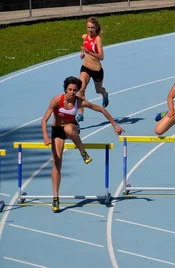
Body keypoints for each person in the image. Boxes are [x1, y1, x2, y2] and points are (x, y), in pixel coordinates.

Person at [42, 76, 124, 212]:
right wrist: (46, 137)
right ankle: (55, 198)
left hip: (72, 127)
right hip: (56, 130)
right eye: (70, 90)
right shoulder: (57, 100)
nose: (72, 93)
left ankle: (83, 152)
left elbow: (101, 109)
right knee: (57, 162)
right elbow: (44, 120)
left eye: (75, 90)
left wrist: (115, 125)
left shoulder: (79, 102)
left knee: (68, 128)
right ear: (65, 89)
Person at [77, 16, 110, 122]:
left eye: (92, 28)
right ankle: (80, 114)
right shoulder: (84, 36)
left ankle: (105, 94)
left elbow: (102, 57)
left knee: (98, 90)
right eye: (88, 27)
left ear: (96, 28)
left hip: (96, 70)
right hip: (85, 67)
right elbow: (84, 47)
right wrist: (82, 53)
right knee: (81, 90)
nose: (90, 30)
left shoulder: (97, 39)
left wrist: (89, 51)